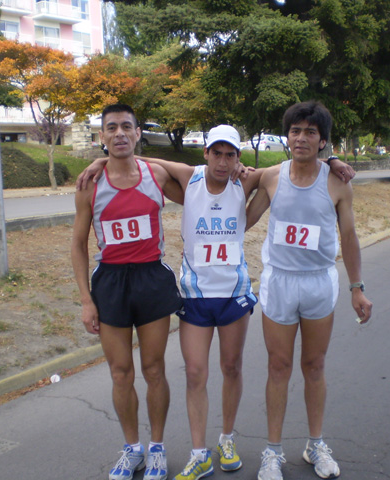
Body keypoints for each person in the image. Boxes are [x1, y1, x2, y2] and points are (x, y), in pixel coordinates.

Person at [77, 121, 355, 480]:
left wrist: (331, 159)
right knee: (195, 372)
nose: (223, 161)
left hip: (234, 294)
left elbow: (292, 166)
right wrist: (103, 161)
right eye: (217, 153)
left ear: (238, 158)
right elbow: (135, 159)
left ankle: (226, 439)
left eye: (230, 155)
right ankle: (198, 453)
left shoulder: (246, 181)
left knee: (232, 368)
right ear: (205, 152)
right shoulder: (188, 176)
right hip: (195, 294)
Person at [245, 100, 373, 480]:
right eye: (295, 131)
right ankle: (272, 452)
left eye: (310, 132)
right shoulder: (271, 176)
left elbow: (348, 236)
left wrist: (357, 288)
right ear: (287, 137)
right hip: (279, 282)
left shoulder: (337, 182)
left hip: (318, 281)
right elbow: (243, 218)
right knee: (278, 366)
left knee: (314, 366)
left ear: (323, 141)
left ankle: (315, 443)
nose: (301, 138)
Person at [71, 103, 184, 480]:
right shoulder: (90, 185)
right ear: (101, 137)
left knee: (154, 369)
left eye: (127, 127)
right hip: (112, 283)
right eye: (111, 128)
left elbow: (201, 181)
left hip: (152, 278)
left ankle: (157, 449)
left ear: (138, 133)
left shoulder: (156, 174)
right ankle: (132, 448)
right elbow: (77, 245)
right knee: (121, 372)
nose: (119, 133)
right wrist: (87, 300)